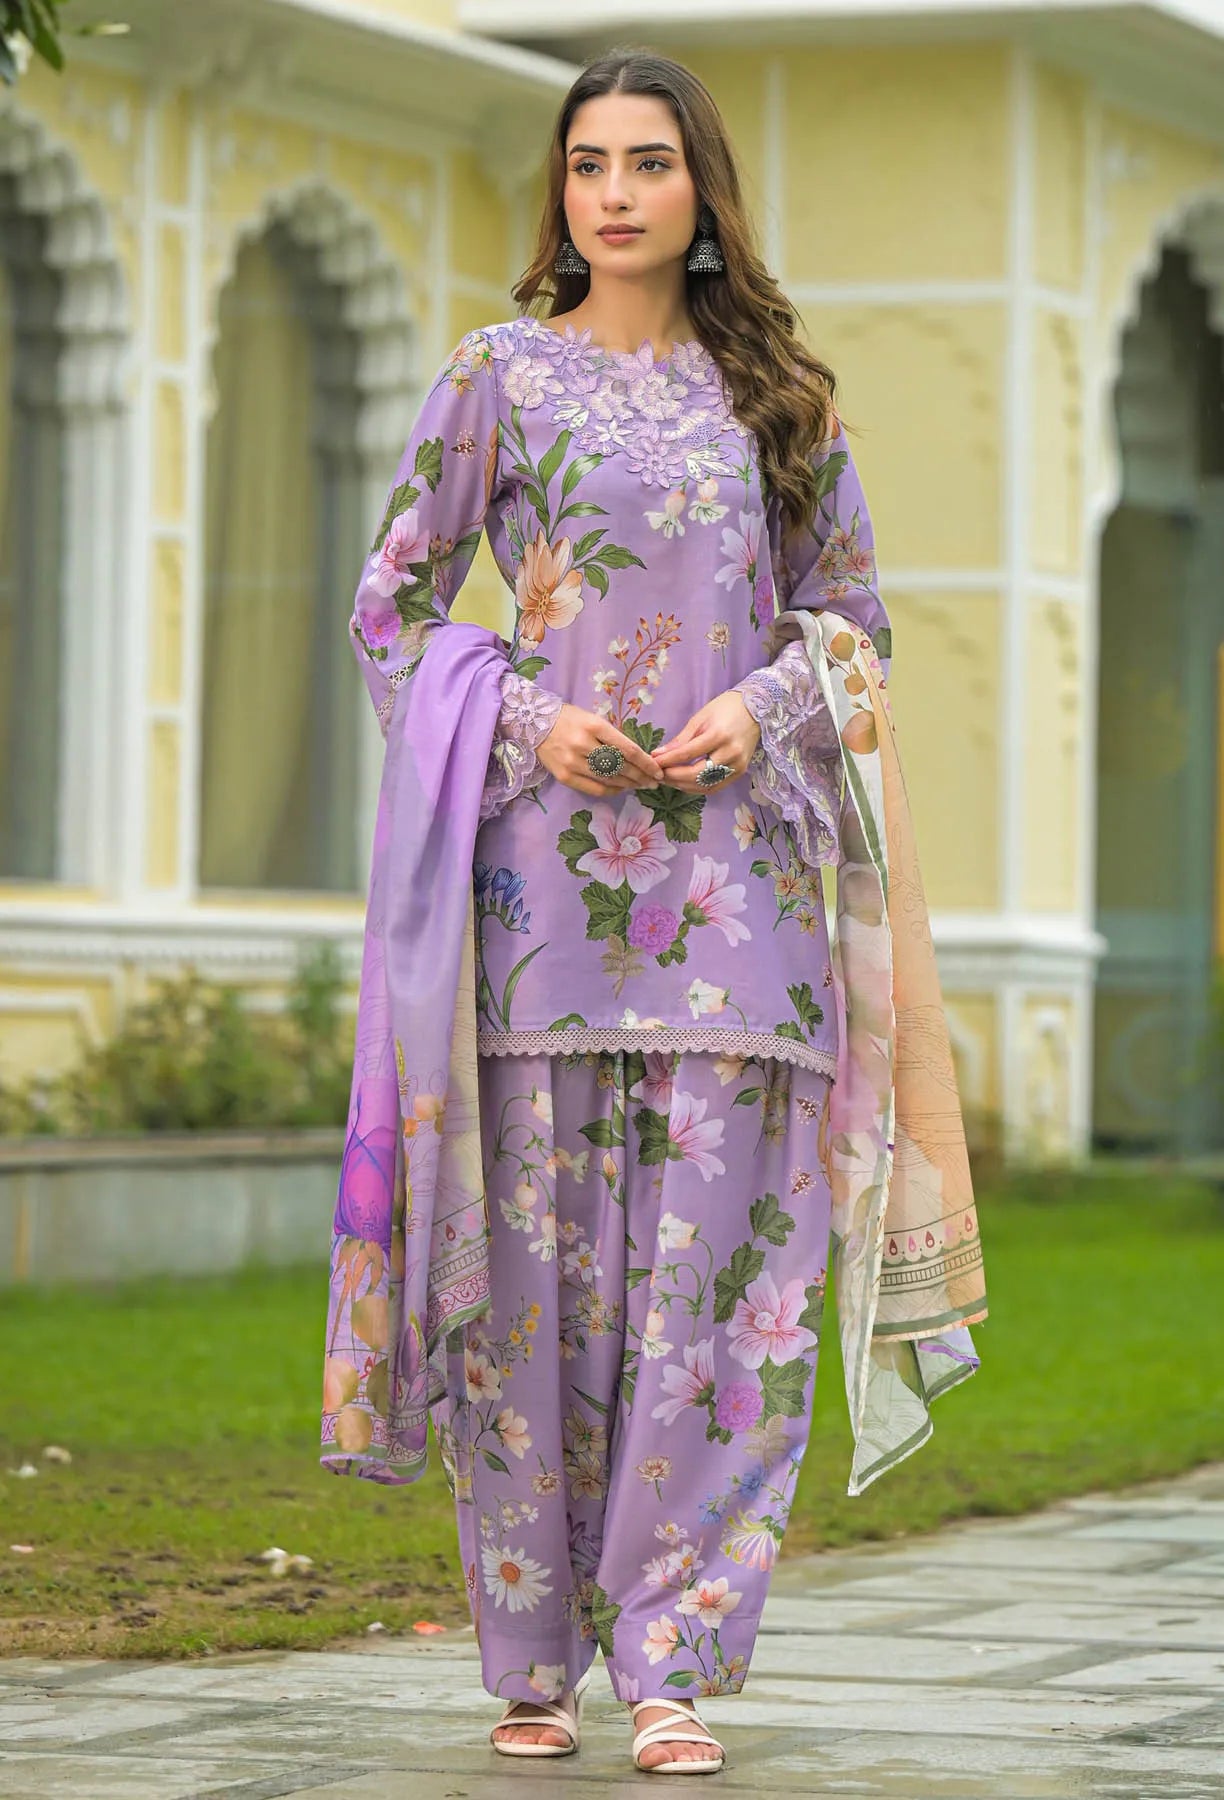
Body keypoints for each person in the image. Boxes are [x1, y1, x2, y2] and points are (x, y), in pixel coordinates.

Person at [320, 46, 988, 1778]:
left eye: (649, 161)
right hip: (535, 899)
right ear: (561, 190)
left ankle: (673, 1658)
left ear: (703, 191)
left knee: (720, 1292)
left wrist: (762, 708)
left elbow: (857, 624)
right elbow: (392, 606)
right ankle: (536, 1656)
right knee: (528, 1294)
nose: (613, 192)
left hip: (739, 906)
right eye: (588, 162)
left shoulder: (782, 401)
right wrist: (522, 716)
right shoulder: (496, 378)